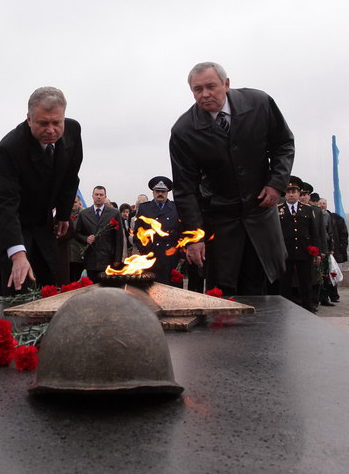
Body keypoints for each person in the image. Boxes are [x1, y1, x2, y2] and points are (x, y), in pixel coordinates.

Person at [170, 61, 294, 296]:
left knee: (265, 287)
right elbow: (185, 190)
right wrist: (194, 237)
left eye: (211, 86)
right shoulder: (183, 131)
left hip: (260, 212)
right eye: (198, 89)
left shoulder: (259, 103)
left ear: (226, 84)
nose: (205, 94)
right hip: (220, 219)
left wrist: (277, 183)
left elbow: (284, 144)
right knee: (222, 291)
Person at [0, 86, 83, 292]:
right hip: (13, 217)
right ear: (29, 119)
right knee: (19, 281)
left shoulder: (73, 131)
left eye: (57, 123)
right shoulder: (10, 147)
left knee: (49, 277)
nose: (51, 130)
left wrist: (63, 214)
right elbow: (5, 203)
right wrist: (17, 254)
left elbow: (70, 175)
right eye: (43, 123)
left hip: (42, 218)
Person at [278, 177, 320, 312]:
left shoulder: (307, 209)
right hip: (285, 252)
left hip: (304, 251)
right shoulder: (278, 210)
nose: (291, 194)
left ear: (298, 193)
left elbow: (314, 232)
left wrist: (316, 251)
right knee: (284, 283)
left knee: (306, 282)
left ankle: (308, 308)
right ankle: (284, 309)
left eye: (294, 191)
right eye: (288, 191)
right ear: (285, 194)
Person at [133, 176, 180, 284]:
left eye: (163, 191)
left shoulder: (175, 208)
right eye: (157, 191)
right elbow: (137, 233)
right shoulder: (144, 208)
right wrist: (144, 250)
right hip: (150, 256)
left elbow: (181, 232)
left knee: (170, 289)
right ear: (153, 192)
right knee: (150, 288)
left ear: (167, 192)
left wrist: (180, 255)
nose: (160, 194)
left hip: (170, 257)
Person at [75, 186, 124, 283]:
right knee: (92, 287)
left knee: (107, 287)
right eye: (96, 194)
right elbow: (77, 233)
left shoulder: (114, 213)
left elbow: (119, 238)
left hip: (108, 258)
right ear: (92, 196)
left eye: (101, 195)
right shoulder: (84, 214)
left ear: (105, 197)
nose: (98, 197)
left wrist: (117, 258)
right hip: (91, 259)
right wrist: (86, 239)